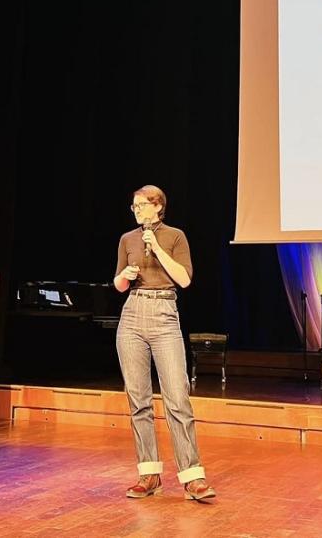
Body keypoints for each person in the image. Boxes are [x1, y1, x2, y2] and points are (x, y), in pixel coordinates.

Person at [113, 184, 216, 501]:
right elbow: (118, 284)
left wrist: (157, 248)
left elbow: (184, 279)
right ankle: (149, 474)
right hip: (132, 314)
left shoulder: (175, 236)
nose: (137, 210)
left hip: (164, 314)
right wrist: (126, 275)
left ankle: (192, 477)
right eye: (134, 206)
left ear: (158, 206)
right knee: (138, 400)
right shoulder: (127, 239)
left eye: (142, 205)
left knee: (177, 397)